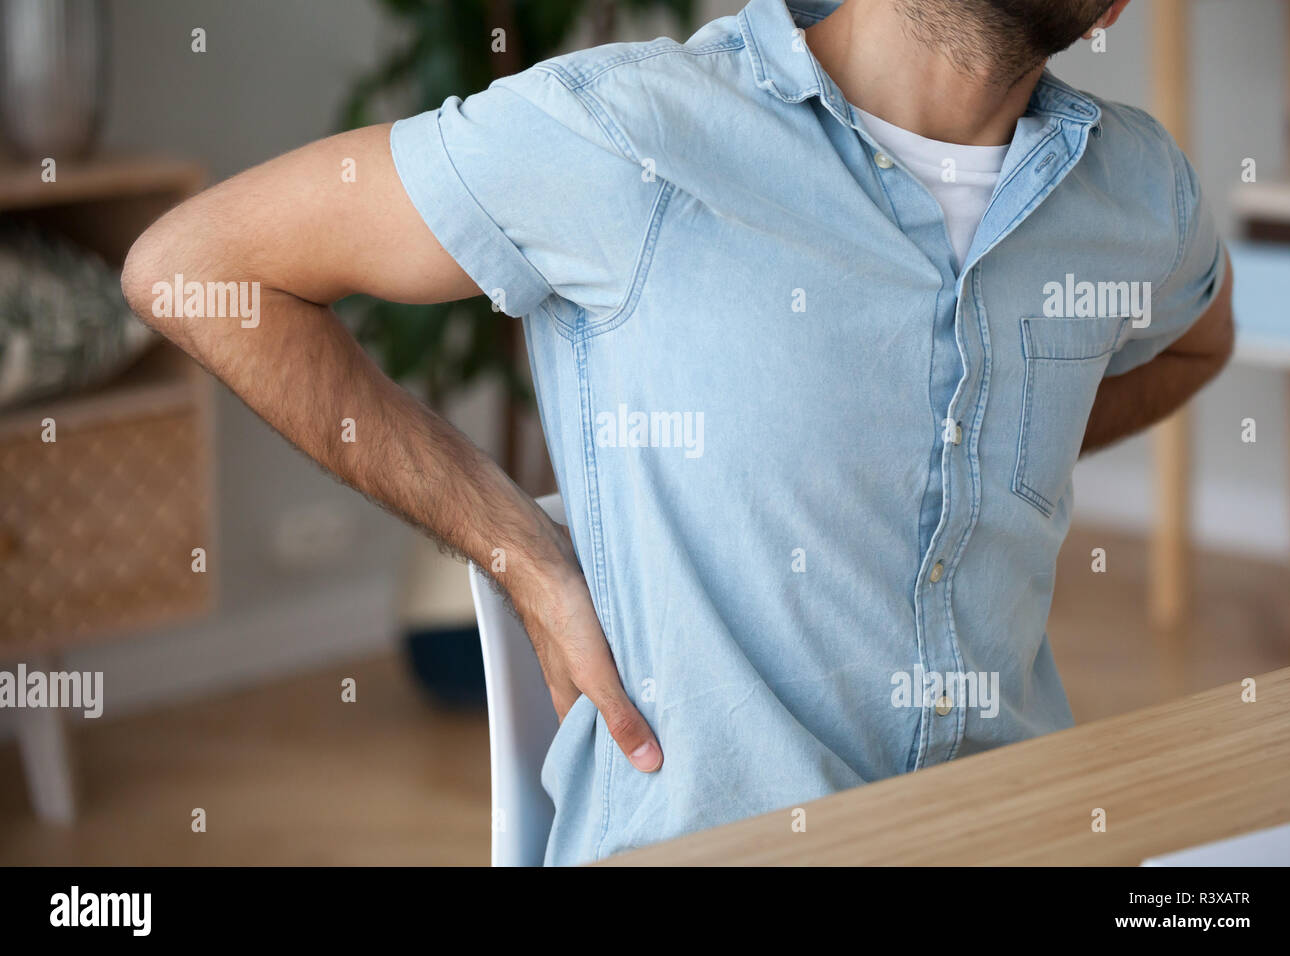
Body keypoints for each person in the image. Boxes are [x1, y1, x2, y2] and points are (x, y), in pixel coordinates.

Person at [122, 0, 1234, 865]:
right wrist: (520, 552)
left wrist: (986, 445)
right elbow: (194, 267)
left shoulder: (1137, 194)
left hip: (1019, 827)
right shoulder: (629, 131)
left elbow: (1196, 341)